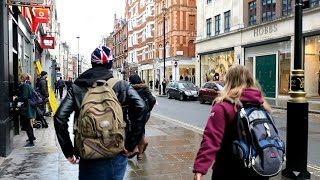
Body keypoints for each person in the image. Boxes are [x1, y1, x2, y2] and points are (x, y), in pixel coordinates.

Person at [54, 45, 147, 180]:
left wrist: (68, 150)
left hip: (88, 151)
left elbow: (59, 117)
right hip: (116, 150)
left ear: (92, 63)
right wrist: (131, 144)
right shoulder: (121, 85)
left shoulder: (77, 86)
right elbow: (141, 107)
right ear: (110, 63)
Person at [193, 65, 271, 180]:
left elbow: (212, 139)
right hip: (258, 168)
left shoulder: (223, 106)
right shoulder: (261, 105)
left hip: (229, 169)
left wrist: (200, 168)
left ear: (229, 81)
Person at [129, 74, 156, 160]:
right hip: (145, 113)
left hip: (134, 113)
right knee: (140, 128)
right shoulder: (144, 88)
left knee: (137, 129)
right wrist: (148, 110)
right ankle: (141, 146)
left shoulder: (130, 89)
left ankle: (140, 151)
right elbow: (152, 100)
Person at [14, 73, 36, 148]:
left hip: (27, 107)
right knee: (29, 123)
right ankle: (32, 137)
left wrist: (16, 98)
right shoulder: (29, 85)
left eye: (21, 78)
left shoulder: (25, 85)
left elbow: (25, 96)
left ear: (23, 78)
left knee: (27, 125)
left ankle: (31, 142)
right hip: (30, 107)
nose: (20, 80)